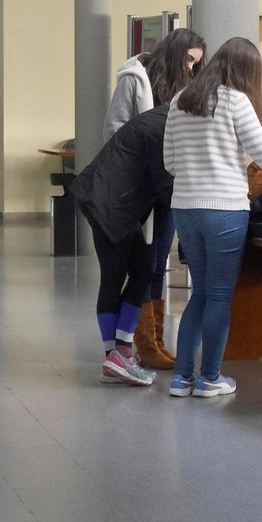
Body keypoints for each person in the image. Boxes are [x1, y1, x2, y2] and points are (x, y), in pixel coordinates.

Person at [163, 38, 262, 399]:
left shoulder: (180, 100)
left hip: (185, 209)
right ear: (245, 71)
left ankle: (181, 378)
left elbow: (170, 163)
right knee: (220, 295)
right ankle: (210, 378)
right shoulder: (236, 102)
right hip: (224, 209)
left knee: (200, 293)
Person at [105, 29, 208, 369]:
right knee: (143, 265)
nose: (191, 68)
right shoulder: (135, 80)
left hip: (170, 186)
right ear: (174, 53)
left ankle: (155, 343)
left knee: (160, 261)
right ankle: (139, 342)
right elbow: (115, 129)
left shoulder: (186, 89)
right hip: (140, 186)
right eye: (189, 60)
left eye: (196, 63)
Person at [73, 105, 175, 387]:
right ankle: (117, 357)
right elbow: (165, 184)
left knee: (137, 271)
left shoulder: (162, 119)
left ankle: (118, 356)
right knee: (126, 273)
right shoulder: (163, 130)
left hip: (107, 199)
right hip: (109, 203)